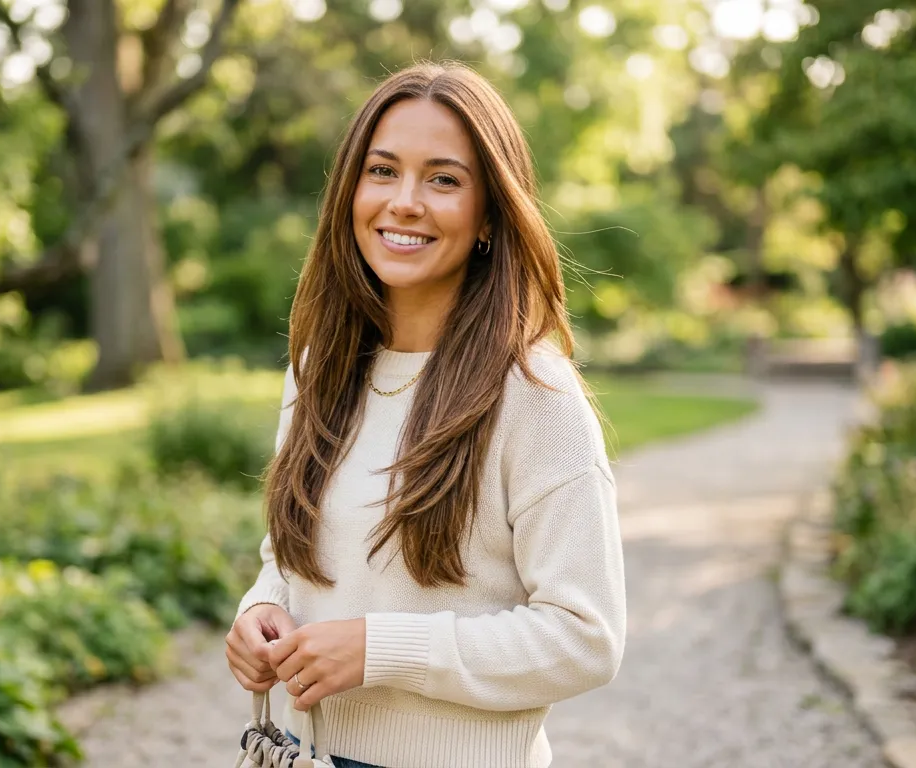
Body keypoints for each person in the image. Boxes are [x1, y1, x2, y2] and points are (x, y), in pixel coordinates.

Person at [224, 60, 626, 768]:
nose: (403, 201)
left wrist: (383, 650)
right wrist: (260, 611)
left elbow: (585, 638)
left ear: (489, 219)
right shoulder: (320, 370)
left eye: (443, 180)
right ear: (350, 189)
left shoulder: (535, 396)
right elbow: (292, 559)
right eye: (382, 171)